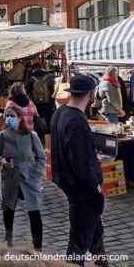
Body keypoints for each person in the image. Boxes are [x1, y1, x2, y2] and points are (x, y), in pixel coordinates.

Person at [50, 75, 107, 267]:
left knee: (95, 232)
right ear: (91, 95)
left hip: (71, 185)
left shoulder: (60, 113)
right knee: (78, 245)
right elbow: (82, 165)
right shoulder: (76, 121)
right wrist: (96, 186)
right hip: (82, 191)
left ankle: (101, 262)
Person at [0, 105, 46, 250]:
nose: (8, 118)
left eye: (11, 116)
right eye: (6, 116)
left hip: (28, 177)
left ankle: (38, 246)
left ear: (20, 118)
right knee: (8, 209)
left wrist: (35, 173)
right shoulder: (2, 135)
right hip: (10, 177)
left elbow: (41, 157)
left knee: (34, 211)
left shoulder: (30, 135)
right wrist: (2, 162)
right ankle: (8, 239)